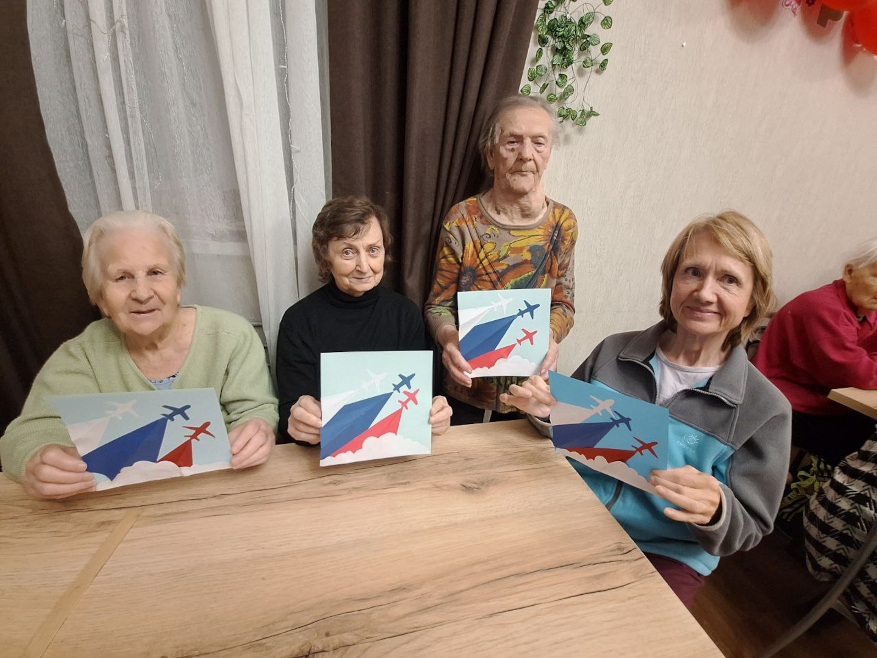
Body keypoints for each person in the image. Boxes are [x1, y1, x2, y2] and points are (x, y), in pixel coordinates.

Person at [500, 211, 791, 607]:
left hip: (666, 552)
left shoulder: (766, 410)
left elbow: (751, 525)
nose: (705, 293)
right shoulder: (613, 351)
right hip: (570, 513)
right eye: (692, 272)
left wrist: (718, 509)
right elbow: (567, 435)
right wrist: (547, 412)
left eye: (729, 280)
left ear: (753, 300)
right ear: (670, 282)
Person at [0, 211, 278, 499]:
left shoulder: (231, 336)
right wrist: (37, 459)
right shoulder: (81, 356)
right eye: (122, 277)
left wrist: (257, 429)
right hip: (118, 504)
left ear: (178, 284)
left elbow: (255, 409)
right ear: (100, 297)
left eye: (156, 272)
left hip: (219, 495)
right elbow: (28, 433)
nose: (142, 293)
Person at [423, 95, 578, 423]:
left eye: (538, 142)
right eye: (512, 142)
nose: (526, 154)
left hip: (528, 392)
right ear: (491, 155)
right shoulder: (462, 220)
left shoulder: (562, 223)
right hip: (464, 388)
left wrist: (550, 336)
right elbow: (437, 306)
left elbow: (564, 305)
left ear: (549, 153)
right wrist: (449, 340)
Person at [276, 196, 452, 445]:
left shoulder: (405, 313)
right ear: (325, 256)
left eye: (373, 250)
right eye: (348, 252)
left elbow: (422, 399)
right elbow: (288, 416)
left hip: (396, 449)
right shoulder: (298, 321)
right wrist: (298, 422)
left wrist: (436, 413)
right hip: (325, 454)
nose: (364, 266)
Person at [753, 237, 877, 466]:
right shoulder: (823, 308)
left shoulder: (866, 310)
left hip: (822, 399)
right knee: (866, 450)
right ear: (850, 272)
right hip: (782, 402)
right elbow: (860, 373)